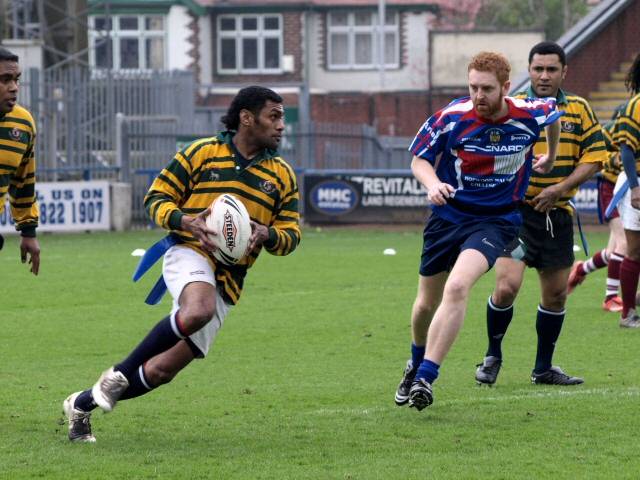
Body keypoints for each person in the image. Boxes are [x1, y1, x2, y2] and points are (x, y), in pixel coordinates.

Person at [62, 86, 301, 442]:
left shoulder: (281, 175)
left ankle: (81, 404)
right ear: (246, 118)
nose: (281, 125)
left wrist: (268, 235)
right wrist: (184, 220)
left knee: (161, 371)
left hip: (229, 279)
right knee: (197, 311)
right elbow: (156, 197)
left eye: (282, 117)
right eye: (274, 116)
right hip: (188, 251)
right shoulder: (202, 153)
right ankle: (121, 372)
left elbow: (291, 235)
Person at [394, 51, 561, 411]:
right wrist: (432, 183)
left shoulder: (531, 111)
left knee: (458, 285)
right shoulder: (452, 117)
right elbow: (419, 159)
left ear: (505, 87)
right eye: (472, 87)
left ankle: (426, 376)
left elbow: (553, 115)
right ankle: (414, 360)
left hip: (496, 221)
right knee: (426, 303)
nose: (478, 96)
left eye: (486, 89)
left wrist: (550, 153)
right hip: (447, 217)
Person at [474, 41, 606, 387]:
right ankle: (492, 356)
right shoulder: (513, 107)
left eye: (551, 69)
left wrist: (560, 189)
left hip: (557, 216)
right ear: (528, 71)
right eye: (538, 69)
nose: (544, 76)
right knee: (506, 287)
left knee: (557, 295)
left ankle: (543, 368)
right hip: (515, 216)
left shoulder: (579, 109)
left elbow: (595, 157)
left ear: (564, 71)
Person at [567, 109, 626, 313]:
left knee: (615, 251)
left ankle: (581, 269)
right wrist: (618, 160)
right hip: (611, 189)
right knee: (625, 245)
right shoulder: (612, 131)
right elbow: (600, 156)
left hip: (626, 192)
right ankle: (610, 298)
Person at [0, 47, 40, 275]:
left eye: (16, 80)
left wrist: (28, 231)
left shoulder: (22, 124)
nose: (14, 87)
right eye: (5, 80)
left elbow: (23, 182)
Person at [611, 53, 640, 328]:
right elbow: (627, 150)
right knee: (634, 250)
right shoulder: (636, 105)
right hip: (638, 182)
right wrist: (634, 187)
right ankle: (627, 312)